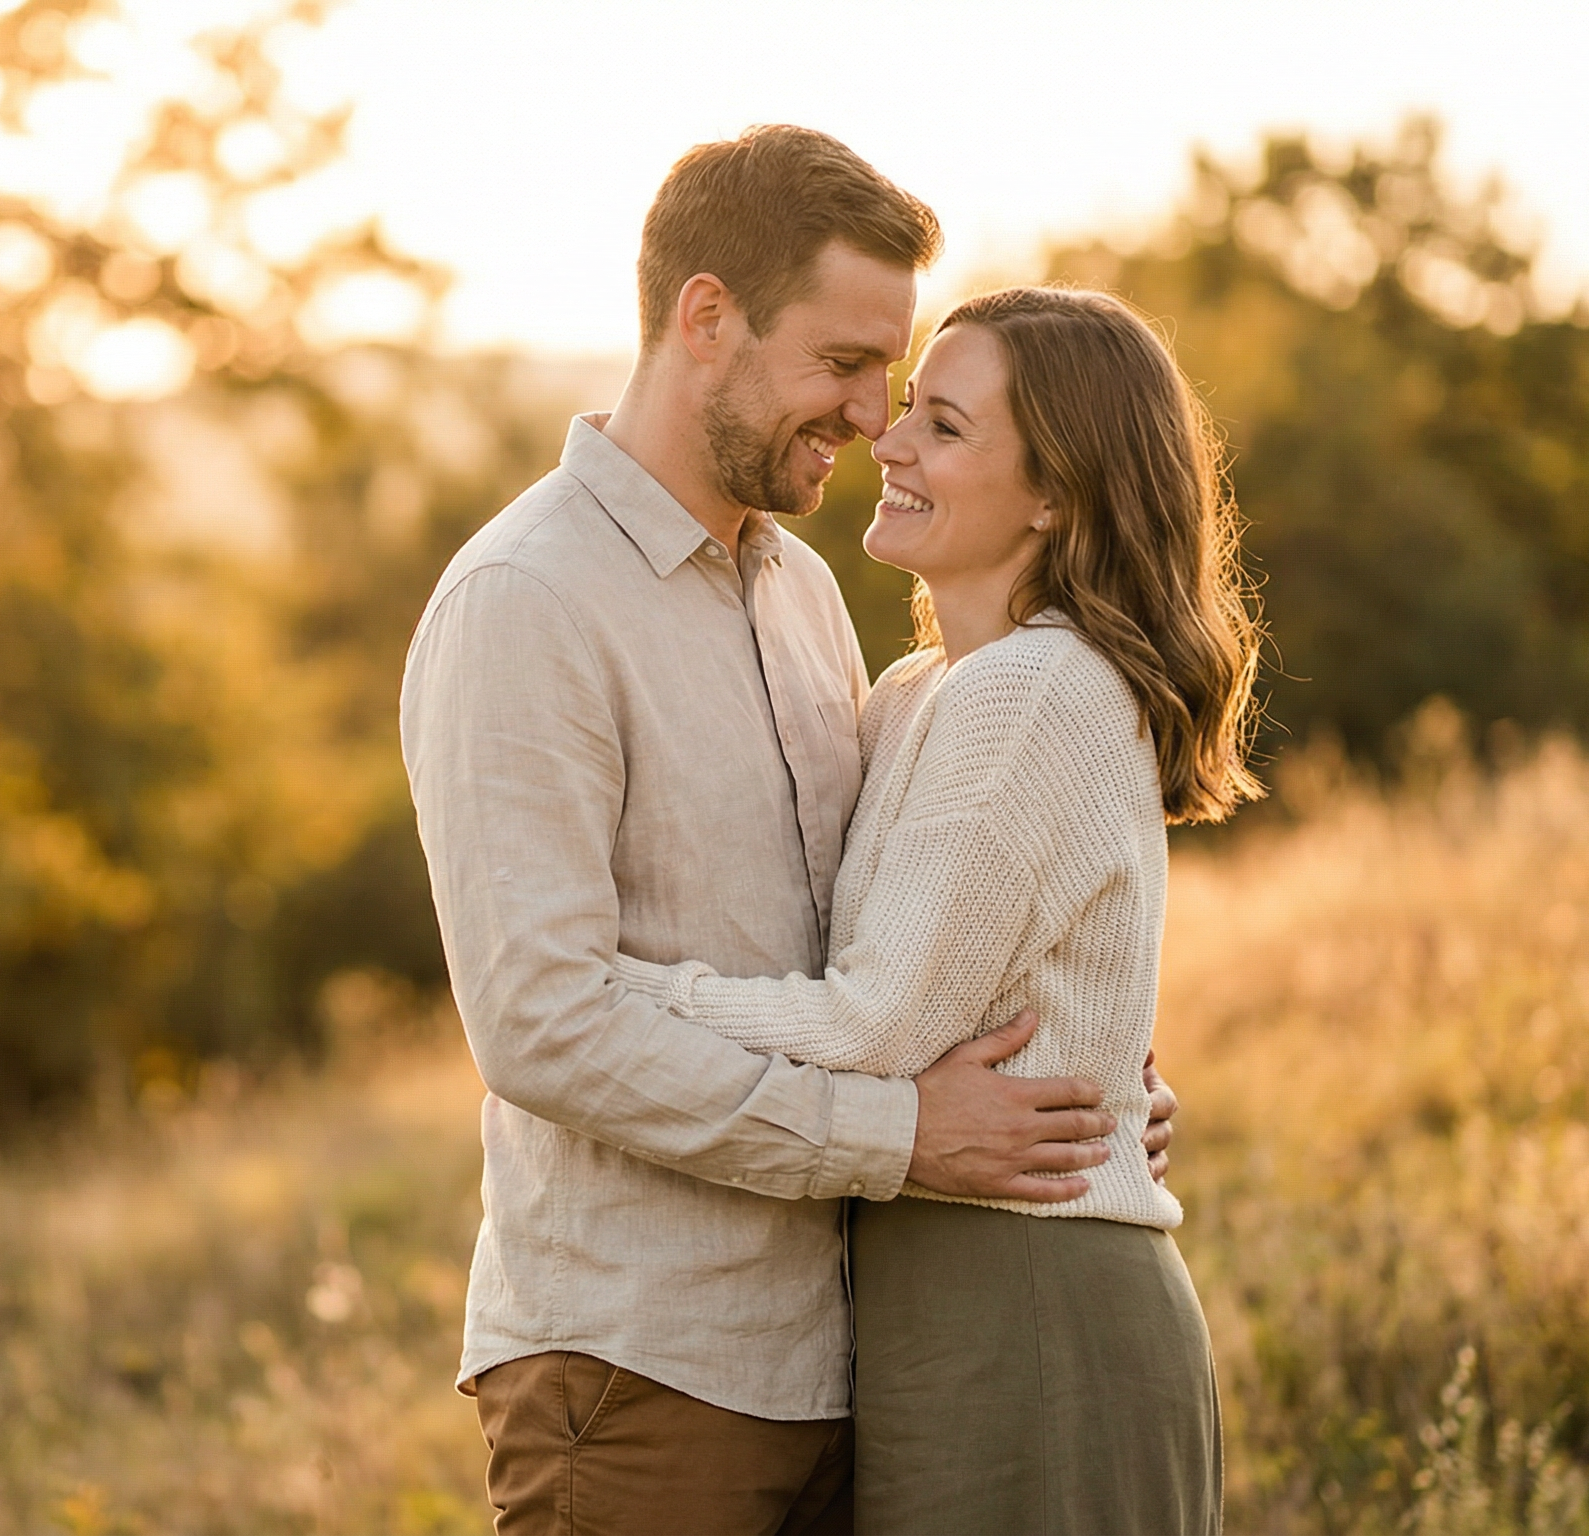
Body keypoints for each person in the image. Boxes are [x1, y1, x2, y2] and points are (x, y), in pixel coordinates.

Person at [399, 126, 1178, 1535]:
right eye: (843, 364)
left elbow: (898, 933)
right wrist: (901, 1136)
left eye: (895, 377)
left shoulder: (807, 599)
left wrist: (1083, 1069)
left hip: (852, 1366)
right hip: (646, 1366)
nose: (874, 417)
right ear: (708, 319)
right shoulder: (528, 602)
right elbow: (542, 1025)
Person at [615, 285, 1266, 1533]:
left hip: (1024, 1296)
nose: (890, 444)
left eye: (946, 427)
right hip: (934, 1290)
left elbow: (875, 1028)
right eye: (907, 407)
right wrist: (1118, 1083)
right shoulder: (920, 691)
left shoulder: (1034, 691)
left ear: (1056, 495)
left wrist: (617, 996)